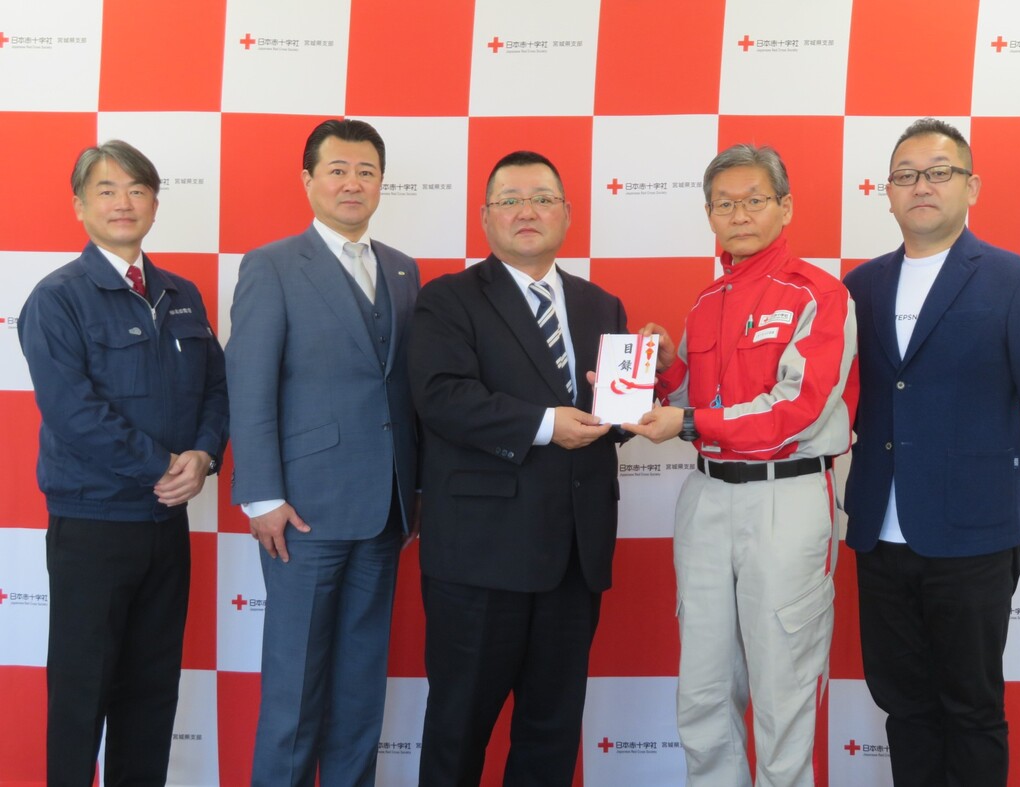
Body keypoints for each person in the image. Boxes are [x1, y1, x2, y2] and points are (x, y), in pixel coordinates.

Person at [843, 117, 1020, 786]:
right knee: (905, 707)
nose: (922, 185)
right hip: (878, 535)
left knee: (971, 709)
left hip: (974, 538)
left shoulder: (1012, 279)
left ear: (970, 187)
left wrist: (994, 475)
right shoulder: (858, 287)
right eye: (906, 175)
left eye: (939, 172)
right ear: (888, 193)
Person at [623, 144, 858, 787]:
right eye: (724, 204)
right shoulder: (707, 301)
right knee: (702, 693)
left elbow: (798, 409)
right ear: (709, 215)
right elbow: (698, 402)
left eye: (755, 200)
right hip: (707, 497)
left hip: (786, 497)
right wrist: (669, 368)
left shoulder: (820, 294)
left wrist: (691, 422)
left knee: (783, 693)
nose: (740, 214)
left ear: (785, 207)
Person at [408, 150, 628, 786]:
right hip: (481, 556)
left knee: (551, 732)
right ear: (486, 217)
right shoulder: (447, 299)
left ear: (567, 213)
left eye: (542, 198)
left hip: (576, 554)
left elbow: (611, 417)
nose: (527, 211)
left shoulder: (601, 305)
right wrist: (545, 425)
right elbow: (442, 397)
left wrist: (643, 391)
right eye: (510, 200)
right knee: (458, 729)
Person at [18, 140, 228, 786]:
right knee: (81, 694)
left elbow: (217, 389)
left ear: (155, 204)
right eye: (106, 190)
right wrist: (162, 466)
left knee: (151, 692)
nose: (123, 202)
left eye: (137, 189)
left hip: (166, 528)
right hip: (93, 526)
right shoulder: (58, 298)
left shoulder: (182, 294)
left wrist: (203, 455)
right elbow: (73, 411)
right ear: (80, 205)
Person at [226, 118, 420, 787]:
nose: (352, 183)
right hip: (302, 513)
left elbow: (402, 388)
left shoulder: (402, 269)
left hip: (385, 509)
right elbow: (248, 383)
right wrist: (262, 495)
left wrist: (415, 491)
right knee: (295, 687)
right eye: (337, 170)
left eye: (366, 171)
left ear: (381, 183)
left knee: (361, 688)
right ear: (308, 180)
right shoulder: (272, 265)